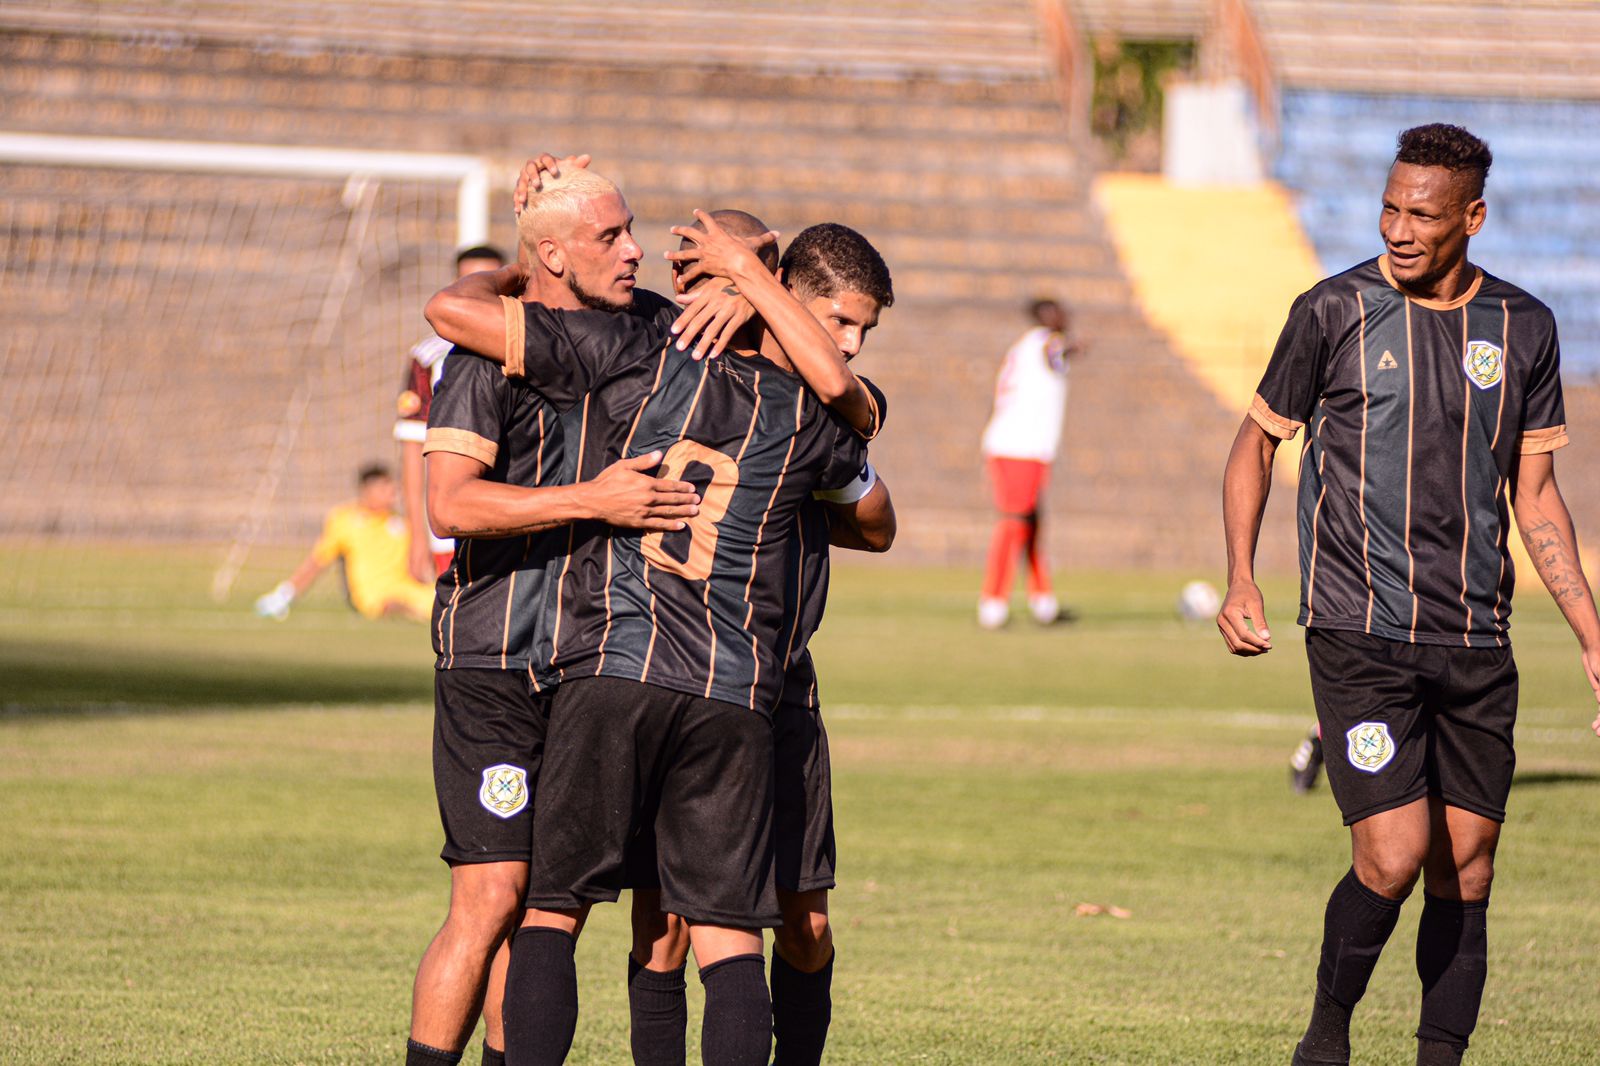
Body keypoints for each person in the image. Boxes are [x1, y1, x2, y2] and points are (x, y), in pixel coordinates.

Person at [424, 168, 886, 1066]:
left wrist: (518, 268)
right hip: (729, 688)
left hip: (615, 668)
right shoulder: (817, 419)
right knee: (723, 938)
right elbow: (874, 492)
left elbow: (450, 309)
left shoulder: (632, 353)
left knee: (553, 912)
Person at [1217, 124, 1600, 1066]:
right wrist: (1240, 575)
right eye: (1389, 207)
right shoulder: (1331, 311)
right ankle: (1326, 1041)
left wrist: (1592, 634)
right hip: (1360, 633)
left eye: (1421, 214)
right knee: (1391, 856)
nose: (1398, 227)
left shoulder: (1525, 328)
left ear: (1471, 217)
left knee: (1466, 868)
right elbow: (1255, 444)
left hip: (1476, 640)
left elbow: (1538, 500)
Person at [403, 281, 702, 1065]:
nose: (633, 249)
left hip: (597, 666)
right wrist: (593, 501)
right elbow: (451, 506)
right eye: (610, 234)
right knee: (490, 893)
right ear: (556, 252)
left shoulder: (640, 335)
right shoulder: (479, 362)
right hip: (492, 661)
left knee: (548, 907)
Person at [625, 223, 897, 1066]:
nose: (849, 343)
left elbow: (881, 525)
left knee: (806, 921)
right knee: (665, 922)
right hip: (667, 669)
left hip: (779, 688)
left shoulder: (835, 402)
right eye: (839, 320)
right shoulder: (679, 368)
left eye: (864, 332)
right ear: (792, 293)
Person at [397, 245, 508, 583]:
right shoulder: (431, 357)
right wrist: (417, 536)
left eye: (488, 281)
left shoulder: (531, 345)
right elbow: (413, 447)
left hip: (516, 513)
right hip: (454, 523)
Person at [976, 298, 1082, 629]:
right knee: (1014, 524)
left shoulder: (1026, 345)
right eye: (1060, 311)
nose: (1066, 316)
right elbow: (1057, 354)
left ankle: (1043, 603)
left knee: (1033, 524)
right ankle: (992, 603)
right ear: (1046, 316)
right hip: (1019, 447)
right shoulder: (1044, 341)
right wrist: (1076, 348)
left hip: (1023, 447)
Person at [253, 464, 434, 622]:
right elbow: (317, 562)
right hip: (374, 597)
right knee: (397, 605)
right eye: (384, 488)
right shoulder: (345, 521)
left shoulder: (401, 523)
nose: (393, 494)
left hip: (407, 589)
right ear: (367, 491)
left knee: (441, 601)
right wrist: (284, 595)